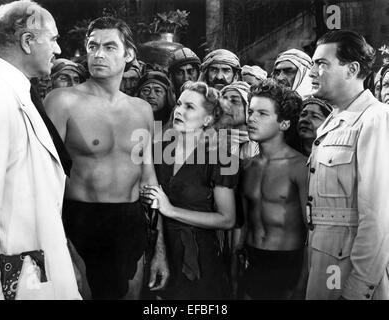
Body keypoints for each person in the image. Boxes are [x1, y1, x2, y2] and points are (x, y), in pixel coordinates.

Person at [43, 16, 169, 300]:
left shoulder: (141, 110)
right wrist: (58, 246)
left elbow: (149, 179)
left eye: (110, 47)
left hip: (130, 222)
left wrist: (159, 249)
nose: (99, 54)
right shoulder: (62, 101)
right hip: (80, 222)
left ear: (129, 54)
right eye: (93, 45)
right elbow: (44, 181)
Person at [0, 0, 80, 299]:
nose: (58, 49)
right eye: (52, 39)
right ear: (27, 41)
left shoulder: (15, 91)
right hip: (12, 277)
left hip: (34, 266)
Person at [306, 30, 389, 300]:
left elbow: (377, 216)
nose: (312, 72)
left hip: (348, 270)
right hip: (327, 265)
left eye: (322, 64)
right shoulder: (334, 120)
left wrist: (357, 290)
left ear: (352, 69)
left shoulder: (374, 118)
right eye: (313, 64)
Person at [142, 81, 239, 299]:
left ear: (208, 119)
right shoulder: (158, 149)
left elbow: (227, 219)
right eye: (179, 104)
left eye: (190, 107)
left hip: (199, 257)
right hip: (159, 248)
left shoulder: (222, 157)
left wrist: (171, 210)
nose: (179, 111)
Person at [232, 79, 308, 300]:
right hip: (251, 258)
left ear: (284, 123)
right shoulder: (246, 165)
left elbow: (312, 233)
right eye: (251, 111)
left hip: (287, 264)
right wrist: (235, 267)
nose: (251, 119)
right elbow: (243, 221)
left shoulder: (300, 167)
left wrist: (303, 282)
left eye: (262, 114)